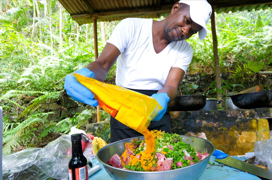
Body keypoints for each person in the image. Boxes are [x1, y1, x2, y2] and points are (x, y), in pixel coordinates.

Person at [64, 0, 212, 142]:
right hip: (124, 109)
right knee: (124, 160)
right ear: (176, 8)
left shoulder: (185, 50)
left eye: (192, 31)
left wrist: (163, 98)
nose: (185, 31)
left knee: (162, 160)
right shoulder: (131, 27)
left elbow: (172, 85)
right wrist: (84, 75)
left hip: (156, 109)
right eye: (187, 20)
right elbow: (103, 64)